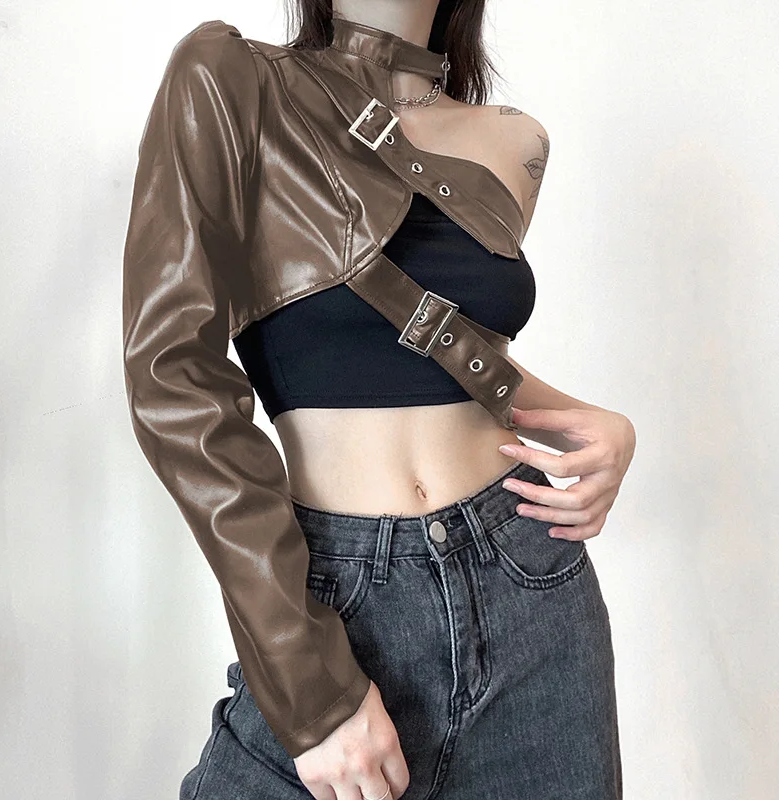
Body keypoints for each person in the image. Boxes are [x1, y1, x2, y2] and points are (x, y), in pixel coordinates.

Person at [121, 1, 635, 798]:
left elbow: (444, 356)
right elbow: (171, 373)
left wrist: (601, 424)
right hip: (336, 592)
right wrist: (311, 693)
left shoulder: (514, 140)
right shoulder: (231, 79)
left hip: (528, 577)